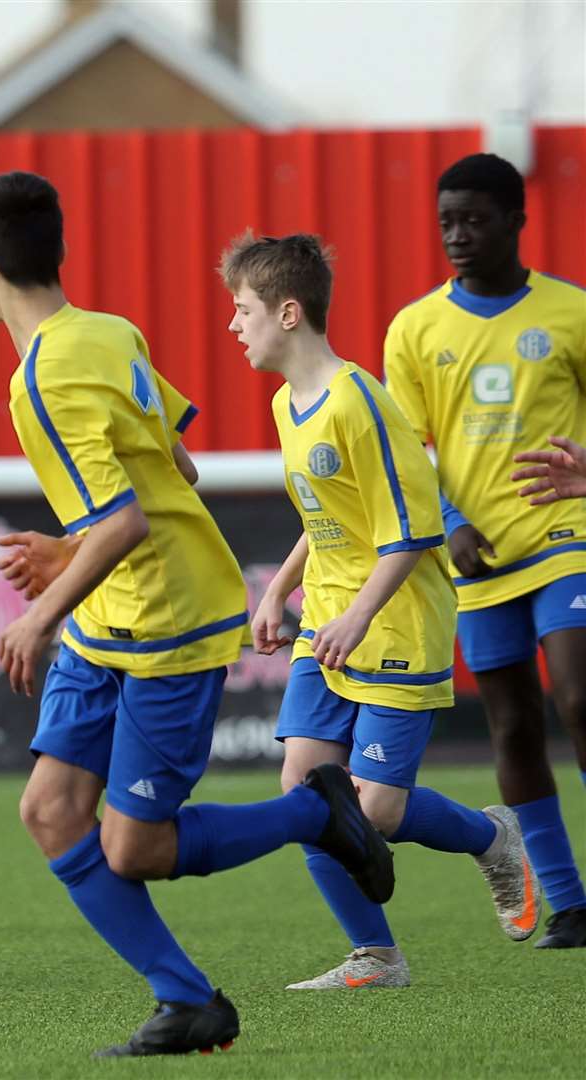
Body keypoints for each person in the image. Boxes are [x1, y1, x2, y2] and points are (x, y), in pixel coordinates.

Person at [0, 170, 392, 1058]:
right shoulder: (108, 331)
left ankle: (318, 811)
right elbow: (179, 472)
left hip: (170, 621)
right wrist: (70, 554)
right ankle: (186, 1000)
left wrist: (38, 611)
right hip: (108, 617)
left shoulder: (39, 379)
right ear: (60, 252)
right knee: (49, 811)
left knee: (137, 849)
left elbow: (124, 519)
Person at [229, 231, 537, 991]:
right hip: (330, 620)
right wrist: (279, 590)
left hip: (395, 620)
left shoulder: (363, 404)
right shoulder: (285, 404)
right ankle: (377, 956)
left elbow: (412, 529)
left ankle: (491, 836)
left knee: (379, 813)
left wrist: (359, 616)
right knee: (306, 794)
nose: (234, 327)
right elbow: (330, 514)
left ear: (289, 313)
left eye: (243, 311)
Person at [383, 152, 586, 949]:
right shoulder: (416, 328)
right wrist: (451, 520)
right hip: (479, 559)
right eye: (446, 223)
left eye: (473, 220)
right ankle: (568, 903)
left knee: (578, 694)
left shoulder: (569, 312)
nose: (457, 237)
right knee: (512, 725)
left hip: (566, 536)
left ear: (515, 221)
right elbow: (406, 453)